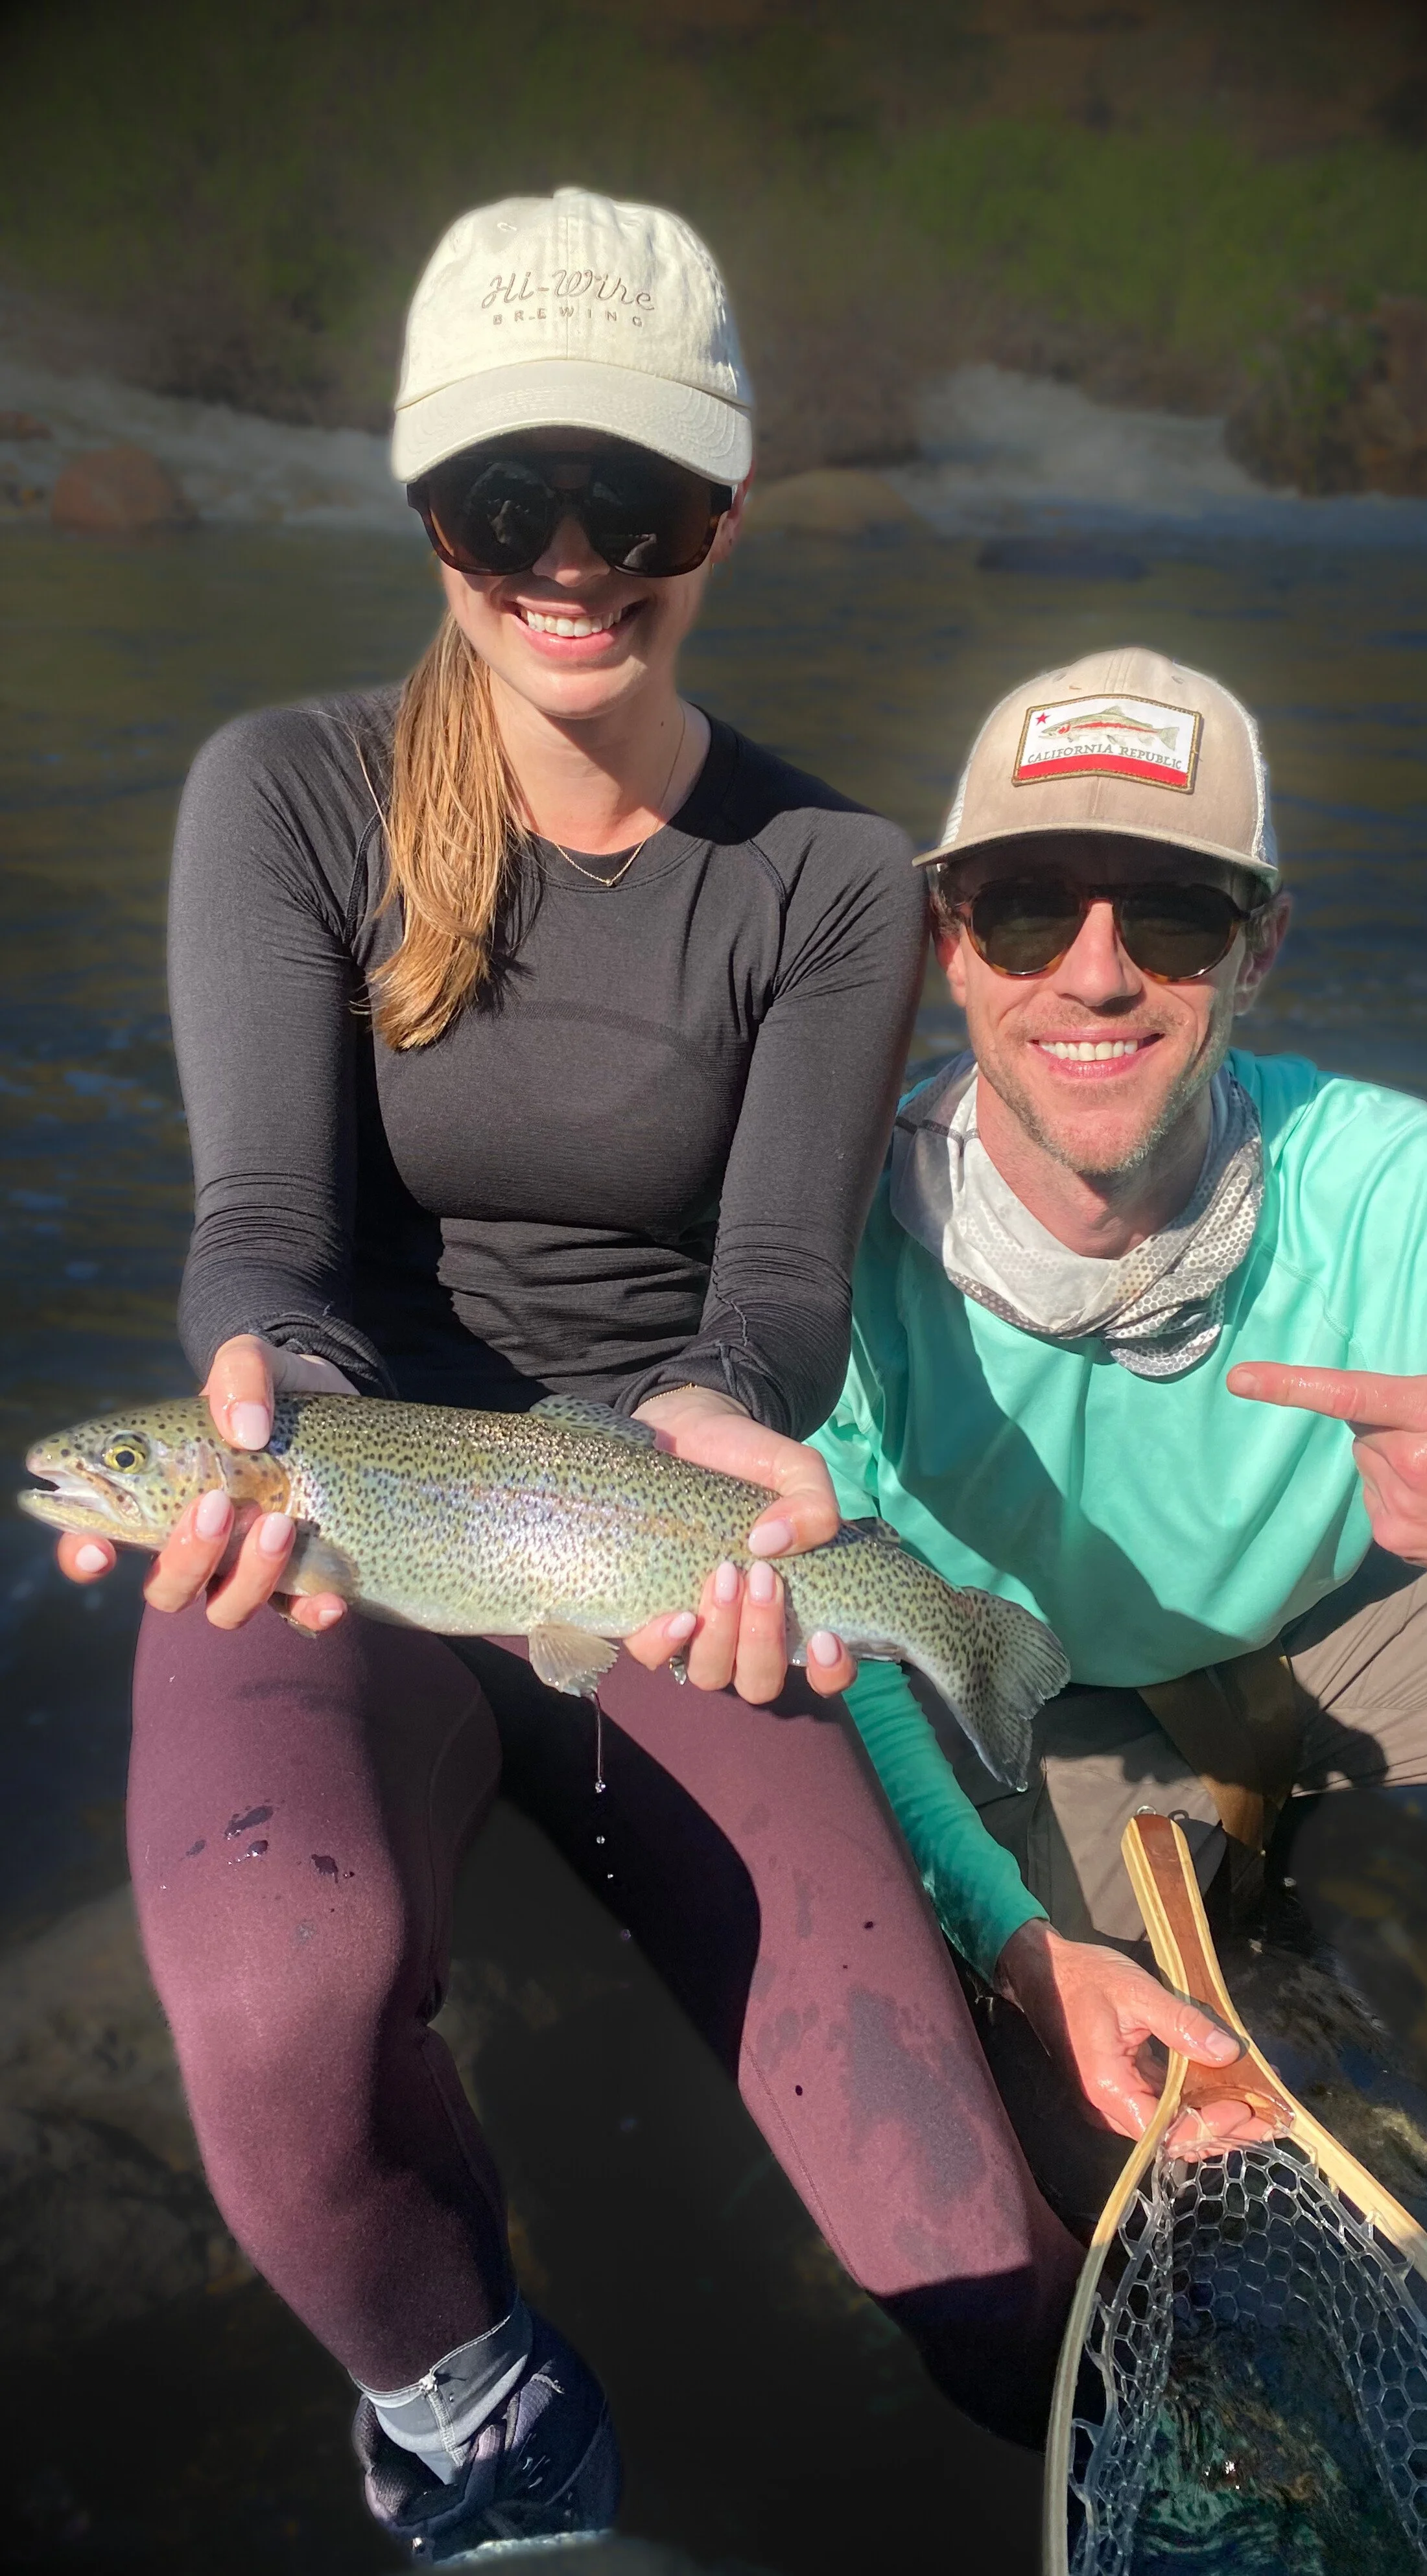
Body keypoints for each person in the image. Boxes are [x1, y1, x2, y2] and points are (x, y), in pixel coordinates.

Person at [51, 191, 1120, 2562]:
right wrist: (246, 1403)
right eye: (503, 496)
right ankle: (482, 2417)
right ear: (424, 505)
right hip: (331, 1499)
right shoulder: (284, 791)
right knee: (277, 1987)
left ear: (719, 512)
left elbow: (773, 1299)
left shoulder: (826, 870)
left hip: (652, 1519)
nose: (566, 558)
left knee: (968, 2254)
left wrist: (735, 1433)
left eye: (628, 501)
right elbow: (264, 1235)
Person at [808, 643, 1427, 2170]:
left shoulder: (1394, 1187)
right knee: (1121, 2130)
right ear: (950, 945)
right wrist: (1016, 1945)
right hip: (1024, 1700)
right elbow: (857, 1672)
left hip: (1351, 1625)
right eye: (1028, 910)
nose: (1095, 974)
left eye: (1171, 915)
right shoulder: (821, 1246)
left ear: (1259, 947)